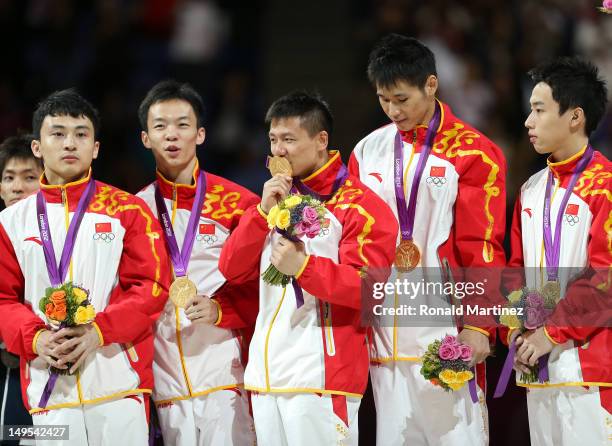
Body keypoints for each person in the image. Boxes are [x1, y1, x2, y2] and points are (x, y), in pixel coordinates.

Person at [349, 34, 507, 445]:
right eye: (384, 99)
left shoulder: (474, 153)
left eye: (401, 99)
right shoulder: (367, 152)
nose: (392, 110)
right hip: (383, 332)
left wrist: (477, 324)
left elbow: (482, 246)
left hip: (445, 330)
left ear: (431, 85)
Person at [218, 91, 398, 446]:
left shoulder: (360, 206)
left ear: (321, 141)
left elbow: (369, 290)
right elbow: (231, 269)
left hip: (322, 379)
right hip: (266, 378)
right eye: (272, 140)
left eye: (288, 140)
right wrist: (260, 215)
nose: (278, 151)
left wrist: (303, 266)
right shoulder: (272, 201)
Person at [0, 89, 171, 446]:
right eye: (58, 133)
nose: (70, 144)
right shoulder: (11, 222)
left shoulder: (128, 211)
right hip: (50, 390)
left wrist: (98, 332)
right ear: (37, 146)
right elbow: (3, 299)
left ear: (95, 148)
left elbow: (152, 286)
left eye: (81, 134)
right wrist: (37, 338)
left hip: (119, 383)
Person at [136, 80, 259, 446]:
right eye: (160, 126)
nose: (171, 135)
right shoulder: (134, 211)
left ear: (201, 134)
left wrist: (223, 310)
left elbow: (266, 285)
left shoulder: (239, 204)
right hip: (165, 378)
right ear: (146, 138)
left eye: (182, 124)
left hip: (224, 373)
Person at [510, 57, 611, 445]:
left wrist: (550, 333)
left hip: (593, 370)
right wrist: (518, 330)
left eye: (538, 110)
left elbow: (606, 278)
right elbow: (517, 272)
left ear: (575, 117)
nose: (528, 122)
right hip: (539, 368)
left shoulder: (605, 187)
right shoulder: (531, 190)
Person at [0, 133, 42, 444]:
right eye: (9, 178)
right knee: (12, 437)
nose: (18, 187)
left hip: (52, 366)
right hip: (9, 374)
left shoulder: (68, 238)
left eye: (29, 177)